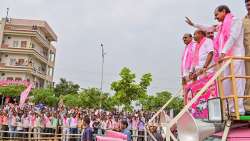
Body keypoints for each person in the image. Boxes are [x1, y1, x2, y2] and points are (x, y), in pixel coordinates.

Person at [186, 5, 246, 114]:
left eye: (216, 14)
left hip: (235, 56)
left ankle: (239, 109)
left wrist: (223, 52)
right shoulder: (221, 26)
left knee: (237, 81)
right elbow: (209, 28)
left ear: (223, 11)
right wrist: (194, 24)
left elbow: (233, 37)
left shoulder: (235, 21)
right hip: (225, 58)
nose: (215, 18)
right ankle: (229, 108)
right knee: (226, 83)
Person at [244, 0, 250, 115]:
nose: (248, 5)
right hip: (247, 56)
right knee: (247, 81)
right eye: (246, 3)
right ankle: (248, 107)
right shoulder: (242, 21)